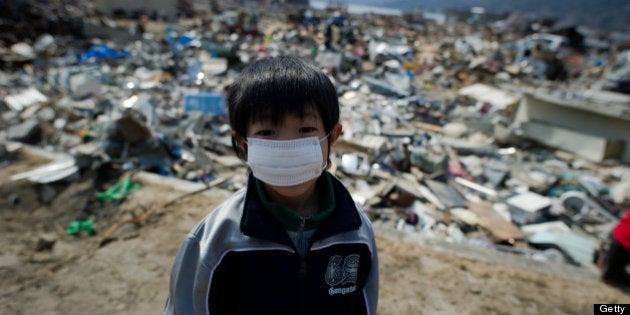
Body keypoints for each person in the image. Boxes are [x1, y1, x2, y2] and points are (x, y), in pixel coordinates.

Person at [165, 55, 379, 315]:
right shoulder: (215, 240)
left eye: (305, 130)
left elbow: (364, 304)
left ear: (333, 136)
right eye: (267, 132)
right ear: (243, 142)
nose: (287, 146)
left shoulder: (356, 232)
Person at [599, 208, 630, 289]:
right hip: (622, 241)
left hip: (620, 238)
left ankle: (611, 274)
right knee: (611, 274)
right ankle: (610, 276)